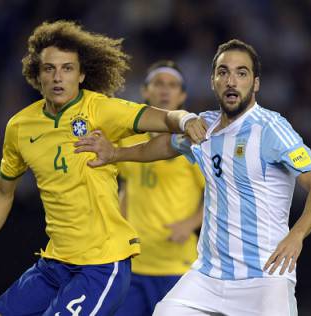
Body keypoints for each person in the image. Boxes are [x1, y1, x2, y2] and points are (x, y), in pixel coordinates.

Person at [0, 20, 206, 316]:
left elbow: (163, 120)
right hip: (54, 263)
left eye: (67, 68)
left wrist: (186, 120)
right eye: (50, 69)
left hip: (102, 264)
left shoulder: (100, 109)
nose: (58, 77)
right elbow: (2, 190)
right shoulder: (20, 127)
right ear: (37, 75)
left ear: (82, 74)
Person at [74, 39, 311, 315]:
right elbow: (163, 146)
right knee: (165, 312)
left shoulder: (271, 128)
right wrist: (115, 154)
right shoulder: (204, 127)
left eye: (241, 73)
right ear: (213, 81)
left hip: (264, 275)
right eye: (223, 72)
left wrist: (297, 235)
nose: (231, 80)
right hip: (209, 275)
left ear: (255, 83)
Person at [114, 60, 205, 316]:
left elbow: (219, 196)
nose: (165, 90)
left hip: (176, 264)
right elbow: (129, 186)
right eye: (159, 84)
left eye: (173, 85)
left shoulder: (193, 144)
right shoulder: (129, 139)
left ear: (182, 95)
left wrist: (190, 224)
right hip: (133, 262)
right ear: (145, 91)